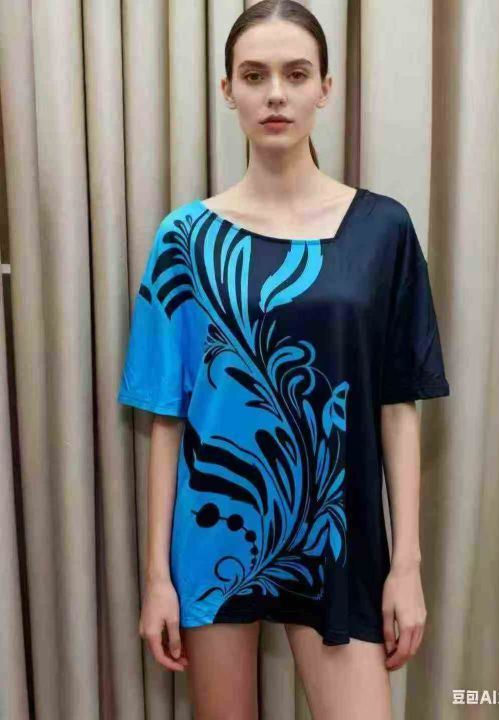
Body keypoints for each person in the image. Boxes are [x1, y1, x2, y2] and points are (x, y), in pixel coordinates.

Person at [117, 1, 450, 717]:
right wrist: (157, 579)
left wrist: (407, 565)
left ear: (324, 88)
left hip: (340, 536)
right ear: (226, 90)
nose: (275, 94)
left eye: (295, 74)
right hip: (215, 537)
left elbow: (398, 405)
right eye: (254, 75)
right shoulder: (185, 241)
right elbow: (167, 417)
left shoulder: (383, 230)